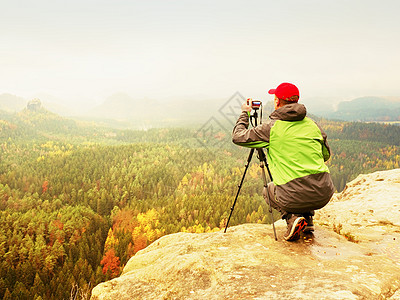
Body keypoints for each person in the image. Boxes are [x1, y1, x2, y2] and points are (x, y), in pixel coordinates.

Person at [232, 82, 335, 241]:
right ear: (297, 101)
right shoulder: (313, 125)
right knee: (302, 185)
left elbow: (238, 136)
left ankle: (292, 219)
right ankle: (307, 220)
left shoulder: (271, 128)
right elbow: (325, 155)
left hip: (293, 196)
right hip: (324, 192)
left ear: (277, 102)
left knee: (268, 190)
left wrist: (245, 114)